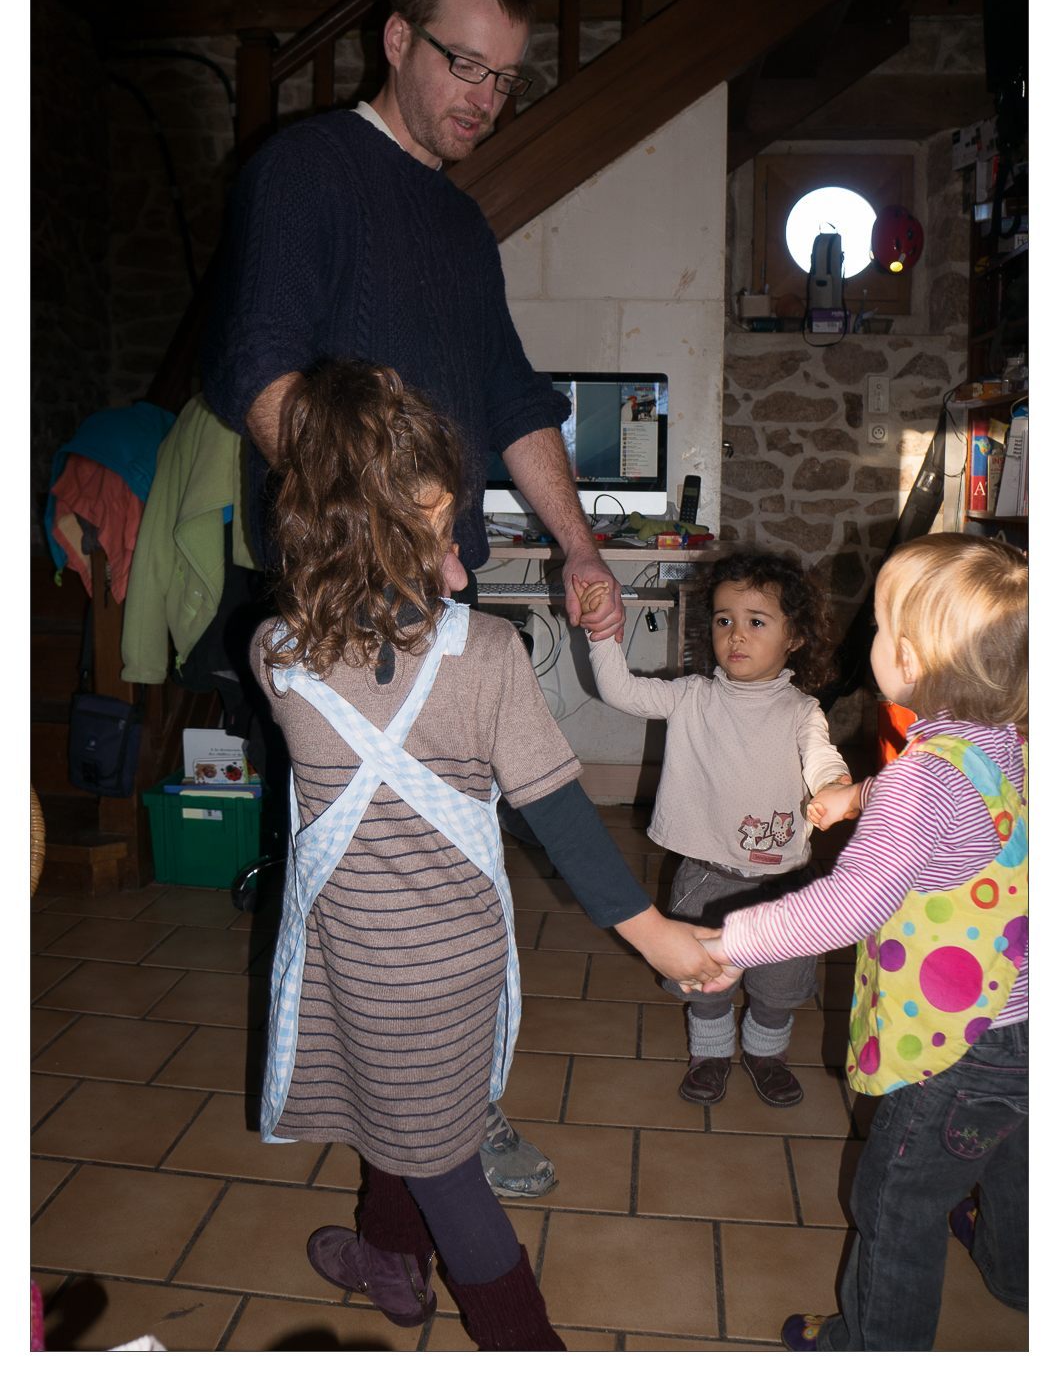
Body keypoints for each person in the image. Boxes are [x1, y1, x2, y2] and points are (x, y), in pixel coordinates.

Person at [202, 0, 629, 1193]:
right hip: (346, 591)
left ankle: (430, 1122)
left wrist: (579, 542)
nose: (485, 97)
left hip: (439, 581)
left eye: (505, 78)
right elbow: (261, 377)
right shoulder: (306, 171)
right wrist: (387, 526)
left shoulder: (459, 221)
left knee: (455, 860)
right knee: (377, 876)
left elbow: (510, 396)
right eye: (464, 64)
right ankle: (414, 1128)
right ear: (396, 40)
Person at [252, 361, 722, 1350]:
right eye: (438, 529)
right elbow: (561, 815)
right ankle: (402, 1262)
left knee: (427, 1139)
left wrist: (411, 574)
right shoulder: (490, 655)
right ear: (394, 531)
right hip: (460, 960)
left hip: (365, 962)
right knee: (430, 1136)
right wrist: (656, 936)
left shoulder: (276, 655)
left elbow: (361, 646)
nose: (458, 553)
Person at [703, 533, 1028, 1351]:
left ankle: (872, 1348)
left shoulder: (923, 777)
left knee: (895, 1202)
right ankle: (1019, 1274)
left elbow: (848, 905)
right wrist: (858, 796)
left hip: (957, 1046)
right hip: (1027, 1020)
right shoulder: (1009, 745)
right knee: (1016, 1159)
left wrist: (732, 939)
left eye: (879, 627)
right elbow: (951, 798)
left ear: (908, 658)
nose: (870, 640)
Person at [580, 549, 852, 1108]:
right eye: (725, 620)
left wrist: (834, 785)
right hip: (706, 877)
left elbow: (821, 756)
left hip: (784, 885)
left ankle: (765, 1053)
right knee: (703, 977)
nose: (737, 635)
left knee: (778, 985)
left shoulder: (801, 711)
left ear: (795, 637)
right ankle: (709, 1052)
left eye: (757, 622)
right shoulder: (691, 696)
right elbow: (621, 691)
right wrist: (600, 634)